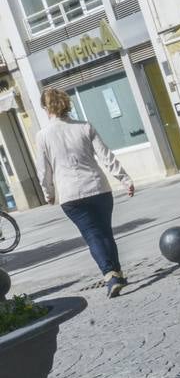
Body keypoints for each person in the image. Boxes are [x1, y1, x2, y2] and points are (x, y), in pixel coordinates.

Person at [35, 87, 135, 298]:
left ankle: (110, 275)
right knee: (105, 232)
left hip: (70, 195)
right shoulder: (84, 127)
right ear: (65, 103)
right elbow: (105, 155)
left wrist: (48, 193)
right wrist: (124, 179)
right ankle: (117, 274)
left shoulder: (43, 136)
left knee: (92, 235)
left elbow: (44, 170)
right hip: (98, 188)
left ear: (46, 108)